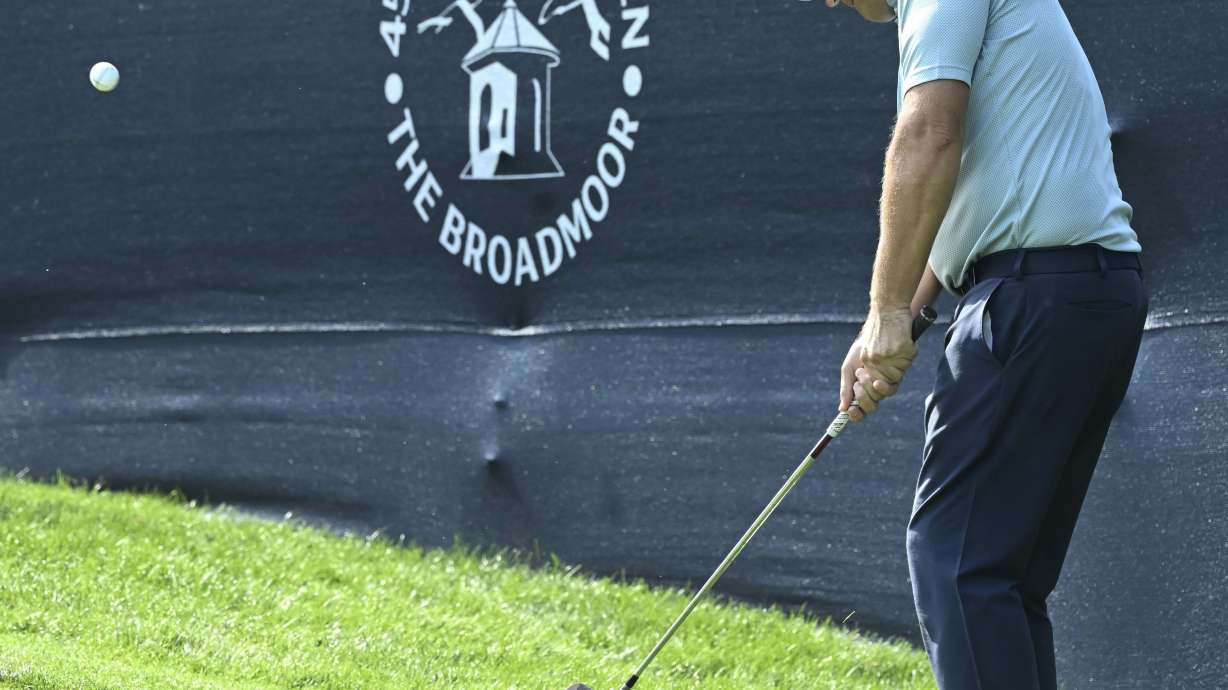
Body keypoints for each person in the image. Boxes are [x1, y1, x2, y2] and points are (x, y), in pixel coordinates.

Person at [821, 0, 1148, 688]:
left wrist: (882, 311)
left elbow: (928, 136)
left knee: (956, 562)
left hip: (1033, 297)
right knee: (1003, 579)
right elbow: (971, 179)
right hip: (1090, 294)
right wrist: (901, 321)